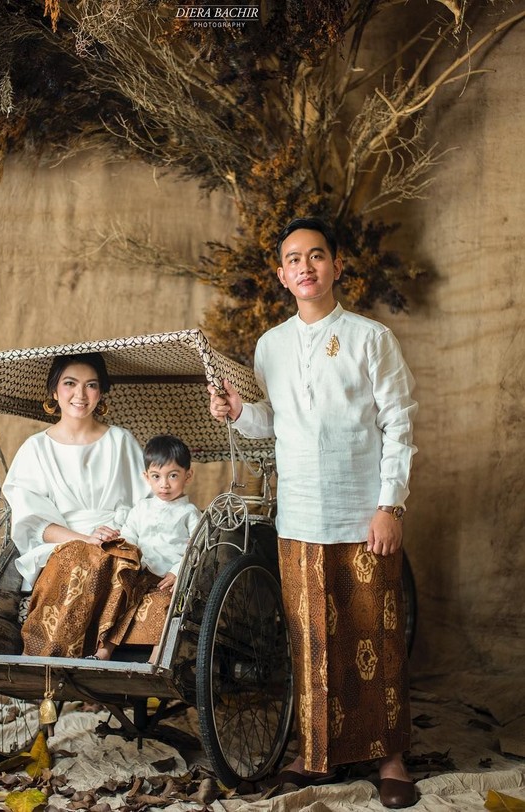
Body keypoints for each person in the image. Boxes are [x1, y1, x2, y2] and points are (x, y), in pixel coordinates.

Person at [208, 217, 418, 809]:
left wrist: (390, 505)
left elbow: (399, 423)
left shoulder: (370, 337)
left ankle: (390, 757)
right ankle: (315, 754)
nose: (306, 267)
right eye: (294, 259)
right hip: (299, 517)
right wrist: (238, 412)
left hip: (362, 513)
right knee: (310, 640)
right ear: (282, 275)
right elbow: (275, 424)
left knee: (374, 634)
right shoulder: (269, 345)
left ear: (336, 266)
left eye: (317, 255)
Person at [2, 351, 151, 660]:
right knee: (80, 556)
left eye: (91, 385)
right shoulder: (36, 449)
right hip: (60, 545)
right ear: (54, 391)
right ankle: (49, 657)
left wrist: (114, 537)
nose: (80, 394)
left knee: (113, 557)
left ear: (101, 392)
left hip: (119, 538)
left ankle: (94, 654)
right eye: (70, 383)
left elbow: (147, 505)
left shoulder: (120, 442)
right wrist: (86, 539)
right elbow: (33, 522)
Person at [121, 434, 202, 661]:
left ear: (188, 476)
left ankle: (156, 657)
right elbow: (129, 534)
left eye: (173, 476)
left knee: (167, 603)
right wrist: (129, 557)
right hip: (142, 570)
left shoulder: (189, 513)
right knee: (120, 595)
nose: (164, 484)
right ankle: (103, 650)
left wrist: (177, 571)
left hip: (169, 577)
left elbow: (196, 548)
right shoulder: (141, 508)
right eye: (156, 476)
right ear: (146, 477)